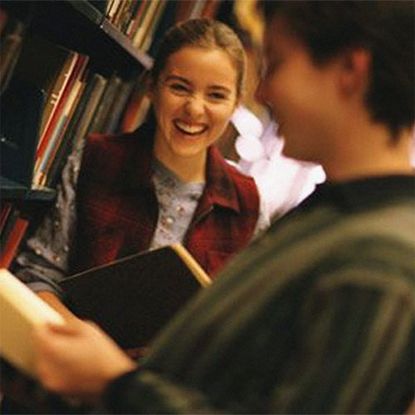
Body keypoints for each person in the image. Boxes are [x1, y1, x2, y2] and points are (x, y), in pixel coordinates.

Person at [32, 1, 414, 413]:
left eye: (279, 64)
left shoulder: (378, 262)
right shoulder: (327, 219)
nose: (264, 93)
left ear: (350, 72)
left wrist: (117, 386)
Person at [11, 18, 269, 319]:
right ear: (151, 87)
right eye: (179, 87)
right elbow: (39, 276)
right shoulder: (95, 160)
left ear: (236, 103)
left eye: (216, 95)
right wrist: (101, 357)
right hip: (72, 354)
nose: (195, 109)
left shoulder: (249, 205)